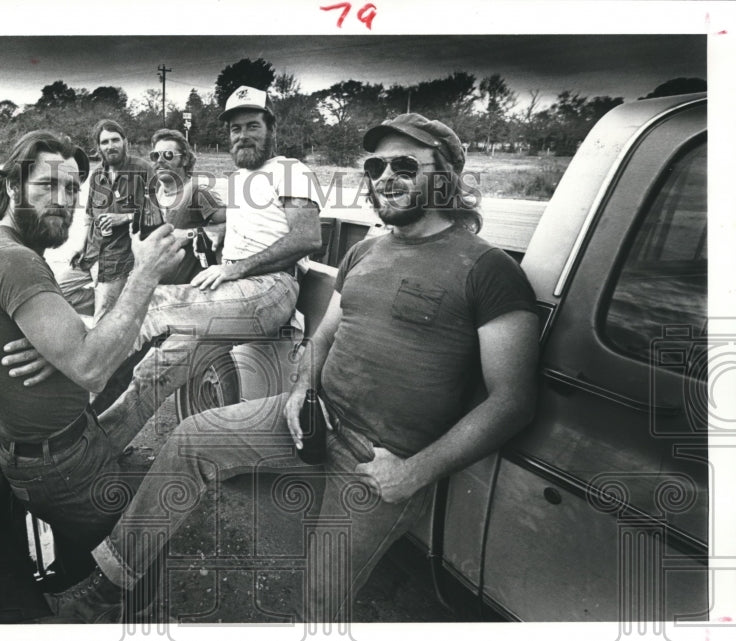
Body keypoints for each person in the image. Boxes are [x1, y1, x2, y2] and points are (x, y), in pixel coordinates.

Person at [45, 113, 540, 623]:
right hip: (311, 420)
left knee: (319, 602)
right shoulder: (367, 251)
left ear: (446, 177)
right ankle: (112, 581)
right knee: (192, 437)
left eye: (405, 165)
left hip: (380, 461)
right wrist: (302, 389)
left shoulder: (487, 270)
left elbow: (512, 400)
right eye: (375, 165)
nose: (385, 177)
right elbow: (324, 334)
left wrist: (413, 473)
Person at [0, 131, 184, 591]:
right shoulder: (13, 261)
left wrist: (61, 348)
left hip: (48, 450)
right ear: (10, 190)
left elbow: (77, 353)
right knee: (138, 570)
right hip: (61, 465)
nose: (62, 200)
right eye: (46, 186)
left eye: (71, 189)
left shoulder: (9, 253)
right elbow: (91, 368)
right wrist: (144, 274)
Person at [69, 86, 323, 440]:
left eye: (253, 126)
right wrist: (212, 234)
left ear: (272, 130)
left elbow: (307, 237)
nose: (243, 136)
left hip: (271, 288)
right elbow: (228, 223)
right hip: (233, 295)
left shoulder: (289, 169)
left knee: (150, 302)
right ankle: (94, 450)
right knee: (156, 369)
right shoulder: (239, 181)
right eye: (236, 129)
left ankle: (69, 374)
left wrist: (236, 267)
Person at [74, 119, 155, 321]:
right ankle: (116, 308)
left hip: (118, 260)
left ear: (125, 141)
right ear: (98, 147)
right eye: (105, 142)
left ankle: (111, 311)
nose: (110, 146)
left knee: (101, 322)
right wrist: (82, 246)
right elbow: (89, 216)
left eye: (115, 140)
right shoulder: (97, 176)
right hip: (91, 255)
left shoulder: (142, 169)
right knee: (58, 292)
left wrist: (126, 217)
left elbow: (159, 212)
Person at [143, 128, 226, 285]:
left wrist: (190, 234)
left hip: (188, 291)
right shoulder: (155, 194)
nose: (159, 161)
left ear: (185, 160)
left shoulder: (198, 192)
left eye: (168, 155)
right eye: (155, 156)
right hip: (157, 287)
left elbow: (235, 223)